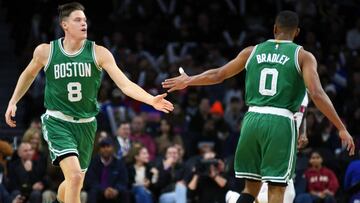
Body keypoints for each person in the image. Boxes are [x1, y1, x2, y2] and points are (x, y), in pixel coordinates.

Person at [162, 10, 355, 203]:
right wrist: (341, 127)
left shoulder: (251, 51)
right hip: (280, 121)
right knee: (276, 190)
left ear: (274, 29)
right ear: (296, 32)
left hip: (252, 119)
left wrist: (189, 80)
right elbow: (316, 93)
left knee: (251, 189)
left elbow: (218, 74)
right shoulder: (303, 56)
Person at [4, 2, 174, 203]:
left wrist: (150, 99)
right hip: (58, 121)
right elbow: (28, 75)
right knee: (75, 176)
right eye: (77, 20)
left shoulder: (99, 53)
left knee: (73, 182)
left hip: (86, 125)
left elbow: (125, 85)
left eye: (85, 20)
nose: (84, 23)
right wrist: (13, 101)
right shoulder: (46, 51)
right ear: (65, 25)